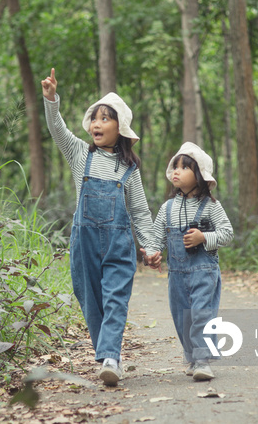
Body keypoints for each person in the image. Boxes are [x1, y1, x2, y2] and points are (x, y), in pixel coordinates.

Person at [41, 68, 159, 386]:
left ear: (120, 128)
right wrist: (51, 99)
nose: (97, 123)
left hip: (119, 243)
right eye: (94, 118)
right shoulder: (81, 155)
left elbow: (139, 210)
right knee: (90, 298)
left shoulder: (129, 169)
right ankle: (105, 351)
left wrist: (150, 245)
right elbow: (57, 130)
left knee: (115, 298)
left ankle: (111, 358)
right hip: (85, 241)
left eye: (105, 118)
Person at [144, 142, 234, 381]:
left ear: (200, 176)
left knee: (201, 314)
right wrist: (152, 253)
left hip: (203, 270)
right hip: (177, 273)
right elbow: (156, 237)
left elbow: (227, 233)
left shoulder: (211, 206)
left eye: (184, 167)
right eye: (175, 166)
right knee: (181, 315)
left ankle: (203, 360)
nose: (177, 170)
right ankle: (193, 358)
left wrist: (205, 237)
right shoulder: (167, 207)